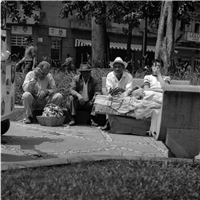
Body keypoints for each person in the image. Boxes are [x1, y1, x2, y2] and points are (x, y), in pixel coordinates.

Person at [101, 57, 133, 131]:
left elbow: (129, 90)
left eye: (119, 67)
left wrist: (122, 94)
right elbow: (109, 89)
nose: (117, 69)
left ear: (123, 68)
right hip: (113, 95)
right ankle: (108, 122)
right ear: (113, 68)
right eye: (115, 67)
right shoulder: (110, 75)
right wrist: (115, 93)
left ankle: (124, 124)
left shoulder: (129, 76)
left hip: (125, 96)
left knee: (128, 100)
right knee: (108, 98)